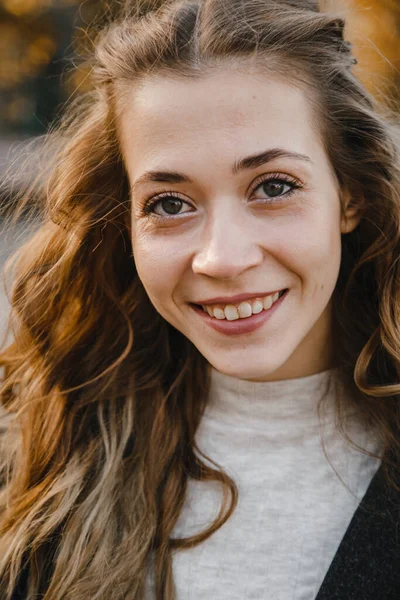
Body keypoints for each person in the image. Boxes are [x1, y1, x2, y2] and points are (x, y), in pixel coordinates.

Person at [0, 0, 399, 598]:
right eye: (168, 204)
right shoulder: (40, 455)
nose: (222, 258)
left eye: (272, 187)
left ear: (351, 197)